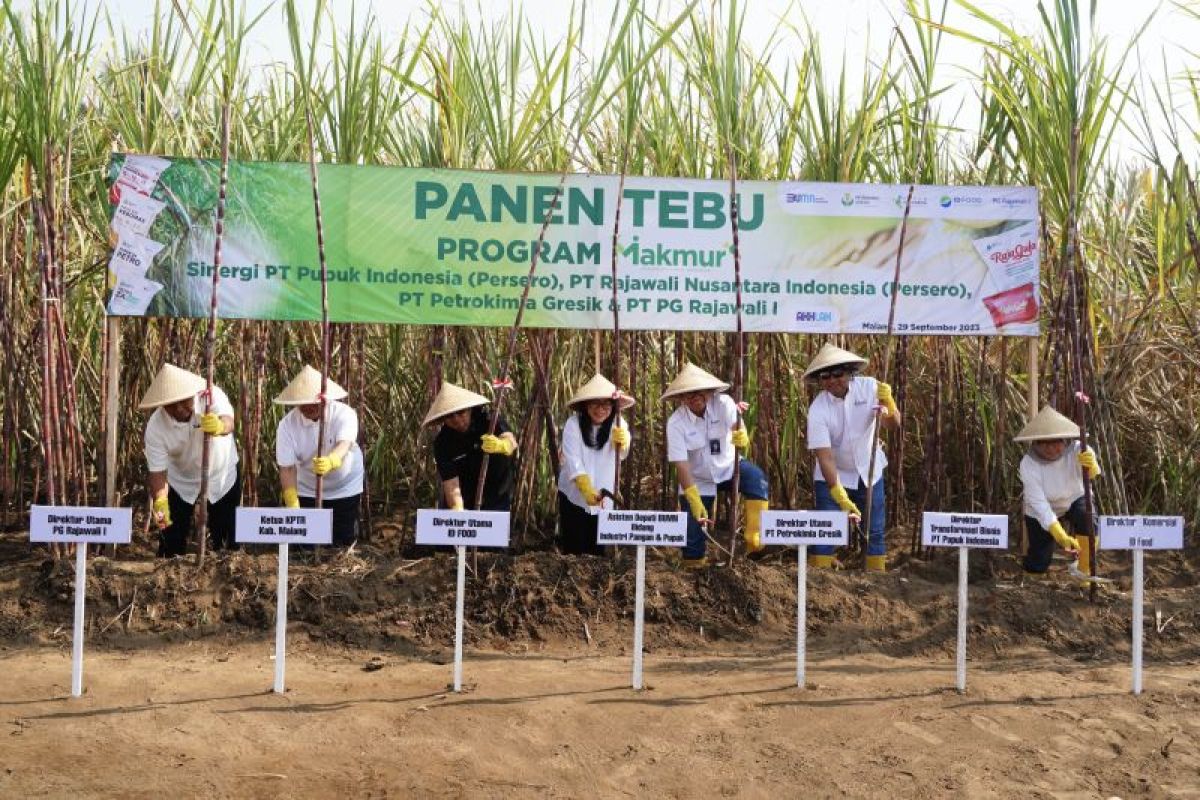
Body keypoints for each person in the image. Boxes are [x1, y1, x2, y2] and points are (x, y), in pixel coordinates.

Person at [804, 343, 900, 572]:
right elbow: (824, 457)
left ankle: (875, 579)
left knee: (874, 530)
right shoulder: (818, 409)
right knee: (826, 529)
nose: (832, 380)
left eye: (838, 373)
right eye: (825, 376)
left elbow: (893, 424)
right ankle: (819, 581)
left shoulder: (870, 388)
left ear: (848, 373)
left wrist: (889, 403)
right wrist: (838, 492)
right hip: (833, 475)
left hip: (869, 470)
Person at [663, 363, 769, 568]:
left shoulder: (723, 403)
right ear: (681, 398)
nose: (694, 397)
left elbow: (737, 425)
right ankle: (695, 566)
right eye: (687, 394)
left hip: (730, 467)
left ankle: (755, 542)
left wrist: (741, 433)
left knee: (757, 479)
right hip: (697, 480)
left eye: (698, 391)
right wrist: (692, 498)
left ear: (708, 391)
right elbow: (682, 465)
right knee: (692, 545)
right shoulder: (675, 423)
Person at [139, 363, 240, 557]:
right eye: (171, 404)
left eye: (183, 401)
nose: (179, 408)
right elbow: (158, 473)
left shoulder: (210, 396)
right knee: (170, 540)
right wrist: (160, 505)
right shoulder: (156, 428)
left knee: (227, 542)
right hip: (181, 481)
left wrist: (219, 426)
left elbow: (229, 421)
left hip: (221, 476)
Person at [274, 365, 364, 548]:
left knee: (341, 540)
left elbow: (344, 444)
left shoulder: (344, 414)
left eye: (313, 402)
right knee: (306, 543)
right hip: (307, 488)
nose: (308, 407)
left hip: (345, 487)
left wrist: (332, 460)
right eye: (303, 403)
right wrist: (291, 500)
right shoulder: (287, 426)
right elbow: (287, 468)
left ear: (325, 399)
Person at [1014, 405, 1101, 577]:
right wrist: (1060, 535)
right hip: (1044, 507)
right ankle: (1033, 566)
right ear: (1035, 443)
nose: (1052, 449)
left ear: (1064, 441)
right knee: (1038, 564)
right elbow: (1038, 503)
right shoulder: (1028, 463)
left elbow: (1093, 474)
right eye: (1045, 444)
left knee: (1088, 518)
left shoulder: (1078, 448)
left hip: (1075, 497)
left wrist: (1092, 466)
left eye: (1056, 443)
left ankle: (1085, 568)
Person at [557, 373, 633, 555]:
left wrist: (624, 441)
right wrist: (585, 488)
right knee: (574, 543)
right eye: (594, 404)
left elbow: (622, 454)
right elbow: (572, 459)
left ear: (613, 406)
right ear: (585, 406)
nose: (600, 409)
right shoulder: (573, 424)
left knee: (597, 548)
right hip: (574, 494)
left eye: (606, 404)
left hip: (604, 496)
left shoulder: (619, 423)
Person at [424, 381, 518, 511]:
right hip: (465, 497)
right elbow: (451, 484)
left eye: (461, 412)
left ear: (469, 409)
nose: (456, 419)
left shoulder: (489, 419)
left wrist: (502, 445)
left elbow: (510, 440)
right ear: (443, 419)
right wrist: (458, 510)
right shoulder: (443, 442)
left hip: (497, 494)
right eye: (450, 416)